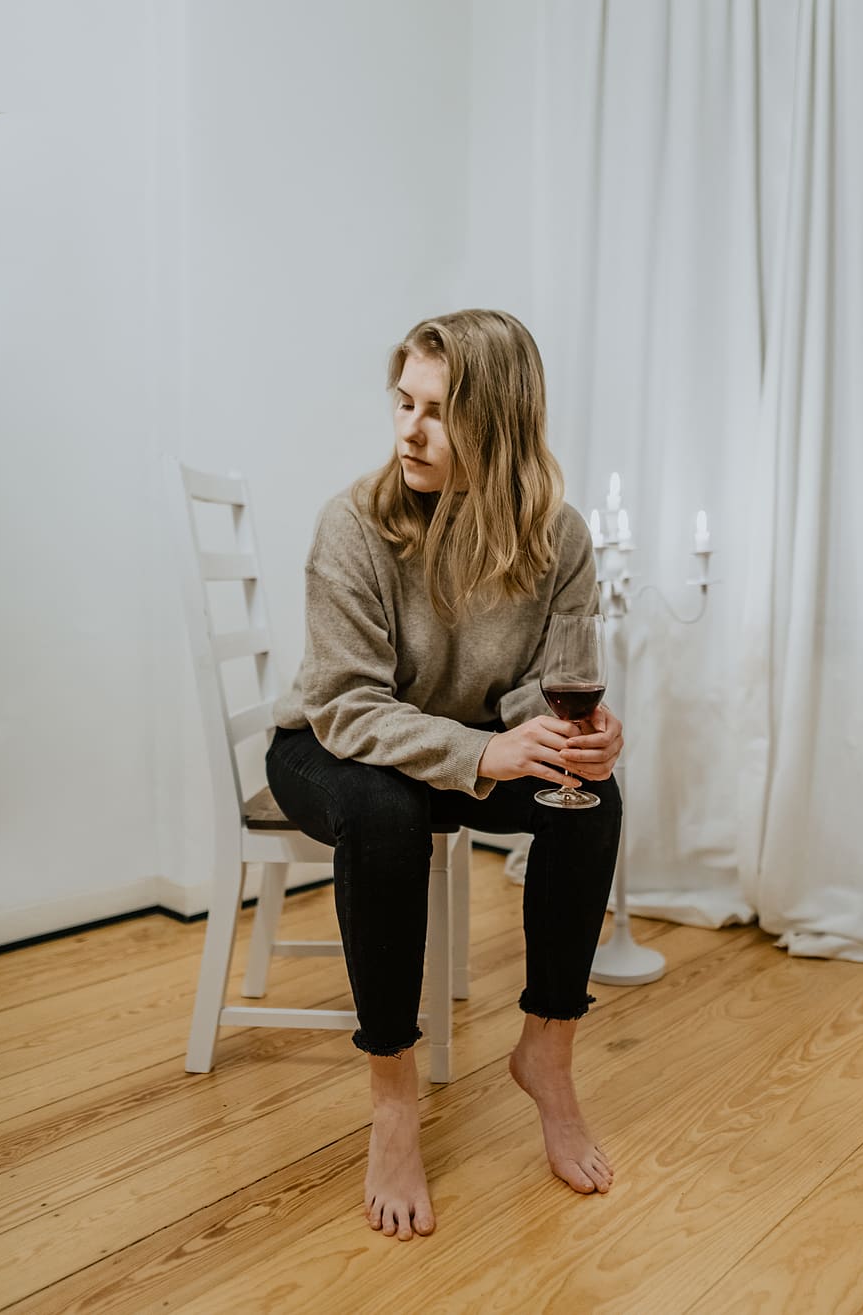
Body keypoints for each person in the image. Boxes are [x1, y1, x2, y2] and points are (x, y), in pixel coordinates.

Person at [266, 308, 624, 1241]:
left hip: (461, 742)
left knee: (587, 798)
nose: (408, 430)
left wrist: (575, 740)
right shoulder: (353, 522)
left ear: (497, 426)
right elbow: (345, 707)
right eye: (403, 402)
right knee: (384, 810)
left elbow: (554, 694)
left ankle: (548, 1052)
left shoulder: (561, 538)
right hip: (329, 742)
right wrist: (480, 754)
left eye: (437, 411)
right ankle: (393, 1094)